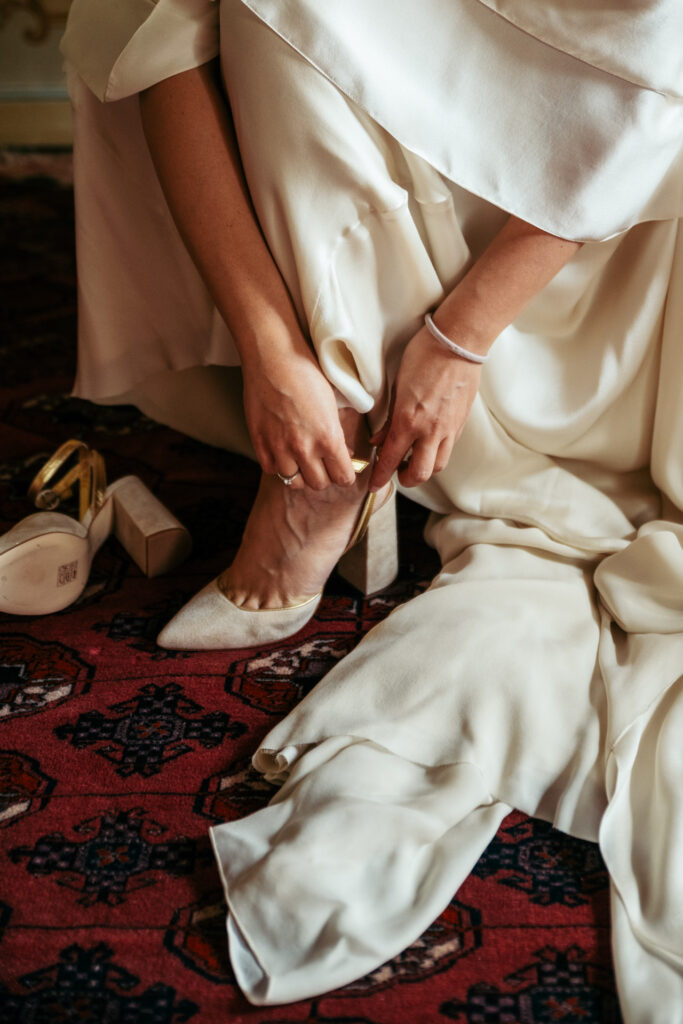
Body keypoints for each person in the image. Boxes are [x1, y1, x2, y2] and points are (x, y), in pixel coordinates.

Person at [61, 1, 683, 1020]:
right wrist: (273, 357)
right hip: (365, 257)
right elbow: (152, 48)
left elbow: (660, 78)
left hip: (593, 236)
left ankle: (366, 431)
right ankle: (321, 445)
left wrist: (462, 336)